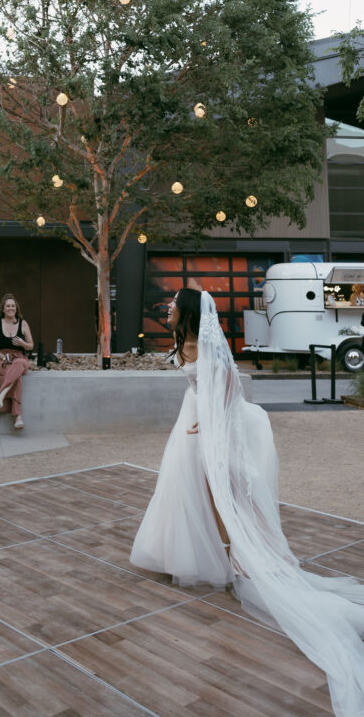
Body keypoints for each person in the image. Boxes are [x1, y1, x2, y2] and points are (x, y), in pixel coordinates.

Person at [130, 288, 364, 717]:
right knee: (191, 491)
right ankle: (205, 554)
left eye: (172, 304)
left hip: (211, 426)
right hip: (190, 423)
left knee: (221, 491)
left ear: (187, 311)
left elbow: (230, 386)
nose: (167, 307)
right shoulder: (183, 342)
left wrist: (208, 425)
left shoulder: (209, 348)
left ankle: (235, 555)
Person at [0, 294, 33, 430]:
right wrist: (2, 357)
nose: (10, 308)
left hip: (19, 359)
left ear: (16, 308)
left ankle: (1, 395)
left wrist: (23, 343)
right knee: (16, 375)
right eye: (8, 306)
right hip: (1, 360)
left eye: (13, 306)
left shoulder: (23, 324)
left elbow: (31, 345)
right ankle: (17, 416)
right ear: (3, 309)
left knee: (18, 364)